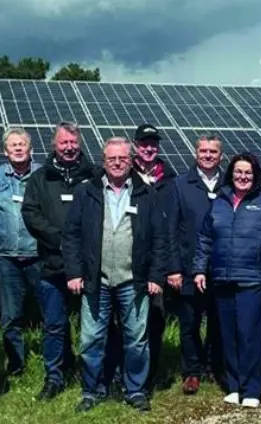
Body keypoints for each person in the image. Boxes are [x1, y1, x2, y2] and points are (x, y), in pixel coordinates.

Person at [63, 137, 170, 413]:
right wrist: (75, 272)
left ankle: (135, 390)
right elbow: (72, 235)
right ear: (104, 161)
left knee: (136, 339)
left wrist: (156, 277)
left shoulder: (146, 194)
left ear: (131, 159)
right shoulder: (86, 193)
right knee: (91, 339)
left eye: (123, 158)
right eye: (112, 158)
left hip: (132, 281)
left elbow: (160, 238)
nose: (118, 162)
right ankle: (92, 390)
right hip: (95, 280)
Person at [193, 152, 261, 408]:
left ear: (255, 175)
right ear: (231, 174)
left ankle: (252, 389)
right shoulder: (219, 202)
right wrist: (200, 269)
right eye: (238, 172)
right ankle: (234, 386)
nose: (243, 177)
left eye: (248, 173)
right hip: (222, 279)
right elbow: (205, 238)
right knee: (228, 335)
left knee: (249, 335)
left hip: (253, 280)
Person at [21, 121, 98, 401]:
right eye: (63, 142)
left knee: (94, 324)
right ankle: (54, 376)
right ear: (54, 145)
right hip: (52, 266)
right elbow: (31, 213)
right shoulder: (41, 178)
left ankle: (95, 373)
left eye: (73, 142)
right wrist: (59, 239)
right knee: (54, 324)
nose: (68, 147)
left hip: (89, 266)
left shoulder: (94, 175)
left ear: (80, 144)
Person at [0, 128, 42, 382]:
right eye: (13, 145)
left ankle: (61, 362)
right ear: (5, 151)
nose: (18, 148)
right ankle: (15, 365)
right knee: (10, 315)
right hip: (6, 256)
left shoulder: (43, 175)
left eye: (22, 144)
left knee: (51, 311)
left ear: (30, 149)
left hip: (39, 254)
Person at [169, 135, 226, 395]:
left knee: (218, 321)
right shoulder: (180, 184)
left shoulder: (231, 183)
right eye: (203, 151)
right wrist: (174, 268)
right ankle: (192, 371)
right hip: (188, 267)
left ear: (221, 156)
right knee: (189, 324)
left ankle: (214, 366)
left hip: (223, 267)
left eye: (213, 151)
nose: (207, 155)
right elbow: (170, 230)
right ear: (195, 154)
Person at [130, 123, 181, 394]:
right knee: (128, 320)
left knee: (156, 319)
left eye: (153, 144)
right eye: (143, 144)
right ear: (135, 146)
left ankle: (152, 373)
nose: (148, 149)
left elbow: (174, 225)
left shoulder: (170, 179)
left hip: (159, 261)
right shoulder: (125, 175)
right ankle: (128, 373)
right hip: (132, 261)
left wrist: (171, 266)